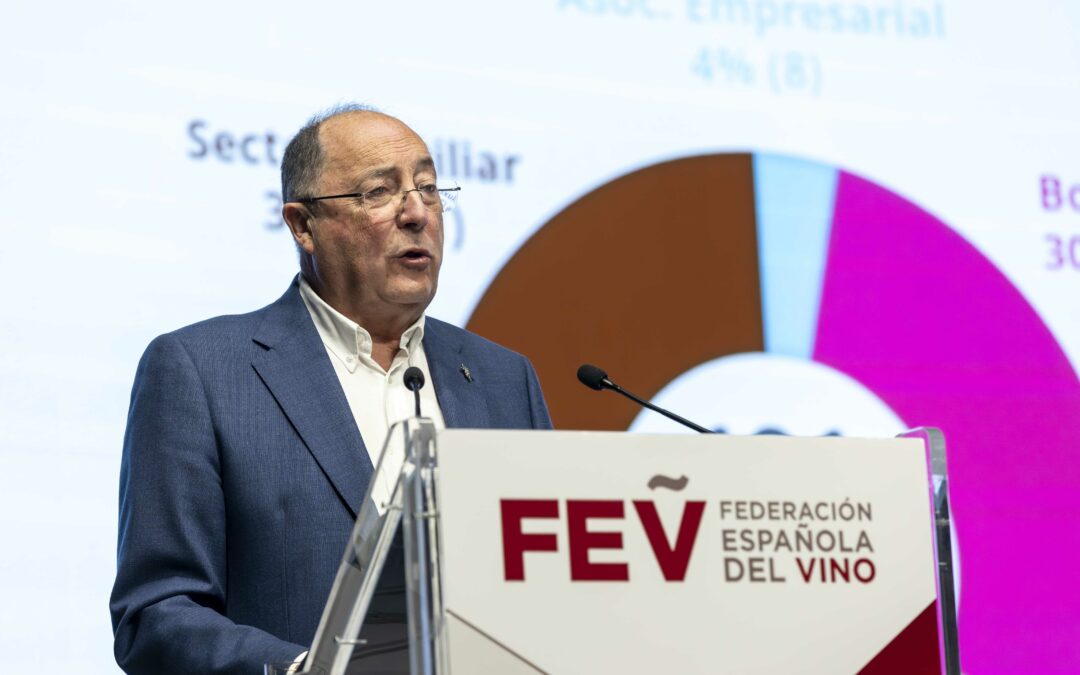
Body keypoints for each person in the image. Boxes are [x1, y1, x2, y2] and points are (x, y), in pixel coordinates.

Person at [109, 105, 552, 674]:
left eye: (429, 187)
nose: (417, 212)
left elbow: (544, 588)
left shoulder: (503, 378)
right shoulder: (201, 371)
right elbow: (156, 613)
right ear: (302, 225)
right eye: (379, 192)